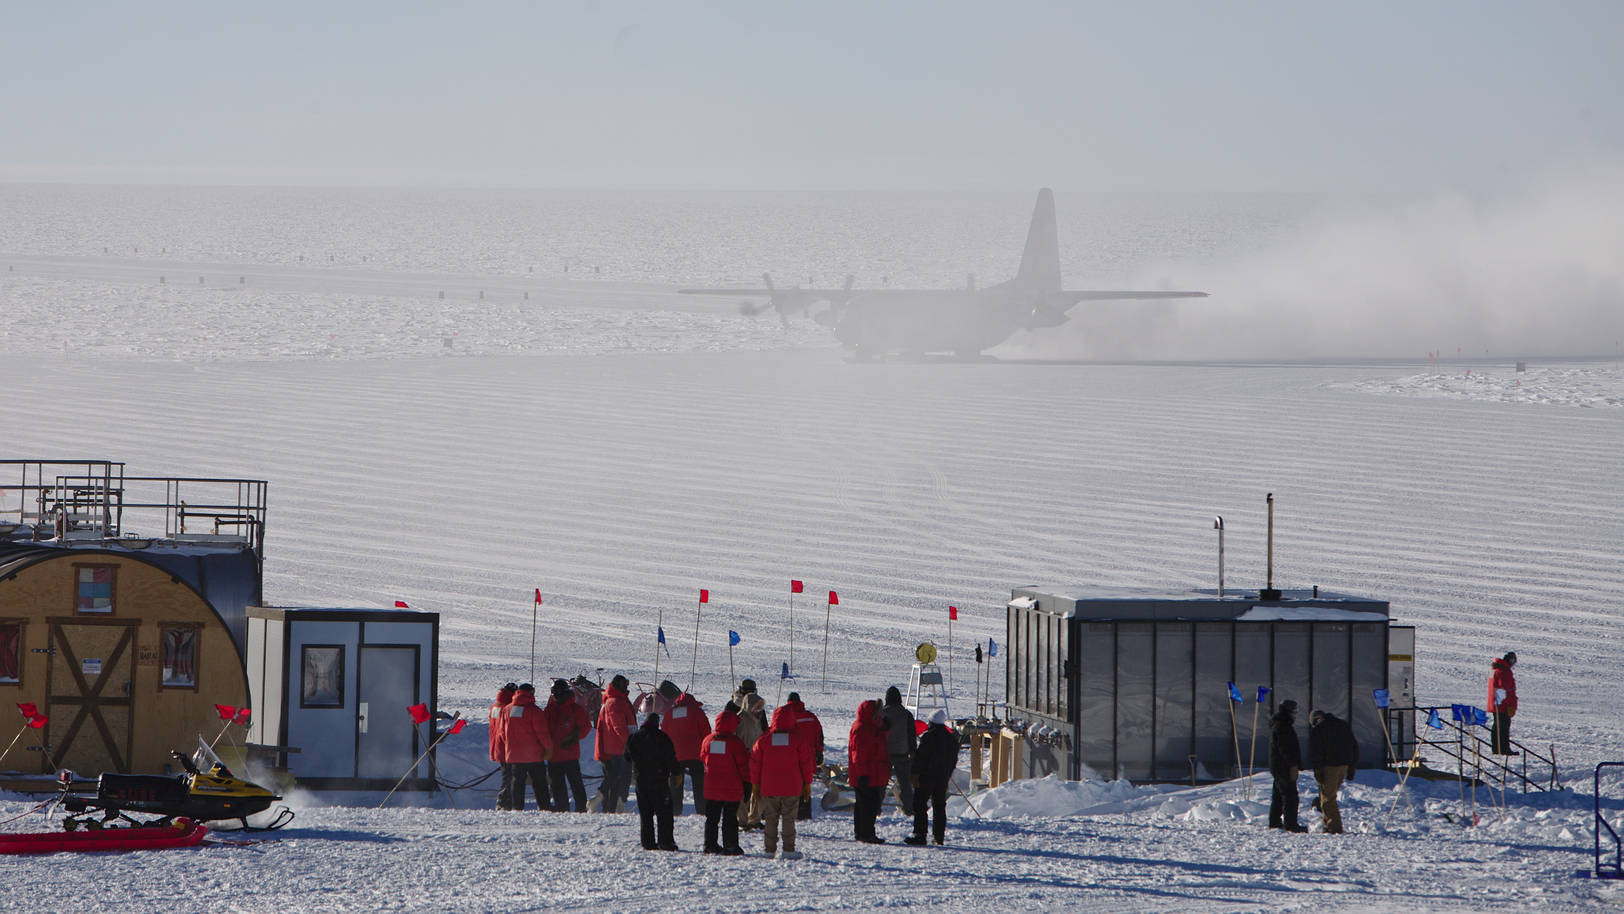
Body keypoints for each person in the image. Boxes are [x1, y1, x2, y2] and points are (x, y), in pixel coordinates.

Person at [751, 705, 815, 859]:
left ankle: (769, 850)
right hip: (791, 787)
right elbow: (806, 763)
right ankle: (788, 850)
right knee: (788, 819)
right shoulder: (798, 740)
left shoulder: (764, 740)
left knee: (771, 820)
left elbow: (754, 764)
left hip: (769, 787)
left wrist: (755, 784)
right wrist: (807, 783)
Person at [625, 712, 679, 851]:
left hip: (641, 780)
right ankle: (665, 842)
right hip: (660, 780)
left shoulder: (634, 737)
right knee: (664, 813)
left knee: (646, 814)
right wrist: (677, 773)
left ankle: (647, 842)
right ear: (657, 723)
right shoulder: (663, 737)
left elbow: (626, 756)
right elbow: (671, 758)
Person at [701, 706, 750, 855]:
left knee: (711, 819)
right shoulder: (735, 743)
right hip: (731, 787)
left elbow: (703, 757)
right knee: (730, 818)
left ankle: (710, 845)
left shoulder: (708, 739)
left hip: (711, 786)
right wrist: (747, 783)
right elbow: (743, 765)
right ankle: (730, 845)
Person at [659, 681, 711, 816]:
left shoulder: (670, 714)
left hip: (676, 755)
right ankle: (702, 810)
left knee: (676, 783)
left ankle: (675, 810)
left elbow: (664, 733)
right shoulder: (697, 712)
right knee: (699, 784)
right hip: (696, 754)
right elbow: (707, 733)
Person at [905, 710, 957, 845]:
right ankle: (939, 837)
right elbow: (953, 761)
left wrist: (914, 773)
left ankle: (920, 834)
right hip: (942, 778)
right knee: (939, 806)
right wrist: (947, 775)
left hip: (926, 777)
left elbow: (920, 758)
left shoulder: (928, 737)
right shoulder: (951, 739)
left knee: (920, 804)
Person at [1307, 709, 1359, 834]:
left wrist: (1318, 770)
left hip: (1329, 766)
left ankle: (1334, 827)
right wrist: (1352, 767)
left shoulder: (1318, 730)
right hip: (1344, 766)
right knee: (1330, 796)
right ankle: (1326, 822)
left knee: (1327, 799)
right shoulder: (1342, 725)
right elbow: (1353, 746)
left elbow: (1316, 752)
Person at [504, 683, 554, 811]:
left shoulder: (507, 709)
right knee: (540, 784)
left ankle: (516, 808)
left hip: (514, 755)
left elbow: (502, 732)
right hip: (534, 756)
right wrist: (548, 748)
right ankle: (545, 808)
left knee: (517, 783)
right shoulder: (534, 711)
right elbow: (542, 733)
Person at [848, 698, 892, 843]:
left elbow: (880, 739)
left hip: (872, 772)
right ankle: (866, 833)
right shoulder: (862, 728)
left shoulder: (869, 726)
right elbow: (858, 754)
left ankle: (862, 833)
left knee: (865, 804)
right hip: (868, 774)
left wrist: (884, 726)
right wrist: (863, 774)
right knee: (868, 805)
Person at [544, 679, 591, 811]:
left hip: (570, 754)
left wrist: (574, 738)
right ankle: (562, 808)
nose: (555, 696)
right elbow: (542, 730)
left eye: (556, 693)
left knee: (576, 784)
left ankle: (581, 808)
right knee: (558, 785)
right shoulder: (549, 710)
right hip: (554, 755)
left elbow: (585, 727)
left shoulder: (575, 710)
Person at [595, 674, 637, 813]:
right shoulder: (615, 702)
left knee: (619, 777)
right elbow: (619, 726)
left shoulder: (618, 700)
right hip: (620, 747)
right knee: (621, 775)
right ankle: (608, 803)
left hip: (619, 745)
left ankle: (615, 806)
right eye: (625, 685)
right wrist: (629, 743)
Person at [1267, 699, 1307, 832]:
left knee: (1278, 795)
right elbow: (1286, 748)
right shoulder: (1283, 726)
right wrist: (1293, 764)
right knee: (1290, 796)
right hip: (1284, 766)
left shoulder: (1279, 724)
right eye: (1294, 711)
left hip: (1278, 766)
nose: (1295, 714)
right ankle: (1291, 824)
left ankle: (1275, 822)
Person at [782, 691, 824, 820]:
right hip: (808, 756)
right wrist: (819, 752)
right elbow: (819, 736)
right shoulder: (811, 717)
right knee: (805, 783)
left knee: (790, 784)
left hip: (790, 757)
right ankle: (804, 812)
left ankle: (790, 811)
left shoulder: (784, 717)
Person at [881, 686, 918, 817]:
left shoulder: (882, 714)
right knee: (905, 784)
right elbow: (911, 735)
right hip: (902, 753)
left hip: (884, 755)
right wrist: (913, 752)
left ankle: (876, 807)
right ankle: (909, 808)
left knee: (881, 782)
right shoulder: (906, 714)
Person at [733, 692, 768, 830]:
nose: (758, 709)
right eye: (756, 706)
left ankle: (755, 818)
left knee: (759, 790)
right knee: (741, 791)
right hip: (742, 759)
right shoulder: (739, 719)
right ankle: (741, 819)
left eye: (760, 707)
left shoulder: (758, 720)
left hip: (756, 759)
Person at [489, 682, 517, 810]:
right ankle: (504, 802)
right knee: (509, 777)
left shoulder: (495, 706)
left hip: (496, 746)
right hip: (505, 748)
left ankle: (505, 801)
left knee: (506, 775)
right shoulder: (508, 708)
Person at [1488, 651, 1518, 755]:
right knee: (1503, 728)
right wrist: (1509, 704)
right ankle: (1503, 749)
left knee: (1497, 726)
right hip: (1502, 705)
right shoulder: (1504, 671)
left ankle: (1497, 748)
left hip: (1495, 703)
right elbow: (1505, 689)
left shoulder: (1494, 670)